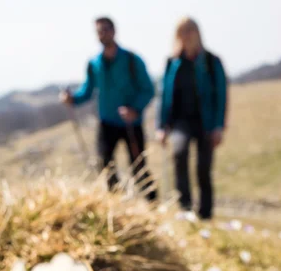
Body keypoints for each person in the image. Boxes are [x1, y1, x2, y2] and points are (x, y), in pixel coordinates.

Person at [60, 17, 157, 201]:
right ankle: (115, 202)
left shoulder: (131, 60)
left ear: (114, 31)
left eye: (105, 29)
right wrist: (72, 99)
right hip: (107, 123)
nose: (102, 34)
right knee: (105, 164)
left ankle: (152, 202)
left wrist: (135, 109)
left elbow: (148, 89)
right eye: (99, 31)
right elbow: (87, 91)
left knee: (138, 166)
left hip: (131, 122)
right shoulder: (94, 64)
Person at [156, 17, 228, 220]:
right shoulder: (172, 62)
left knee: (203, 168)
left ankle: (205, 213)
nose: (187, 36)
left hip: (206, 121)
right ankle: (185, 207)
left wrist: (219, 127)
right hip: (180, 121)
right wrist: (161, 126)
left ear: (198, 33)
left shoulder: (211, 62)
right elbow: (164, 96)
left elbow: (221, 95)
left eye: (190, 31)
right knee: (179, 154)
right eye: (182, 32)